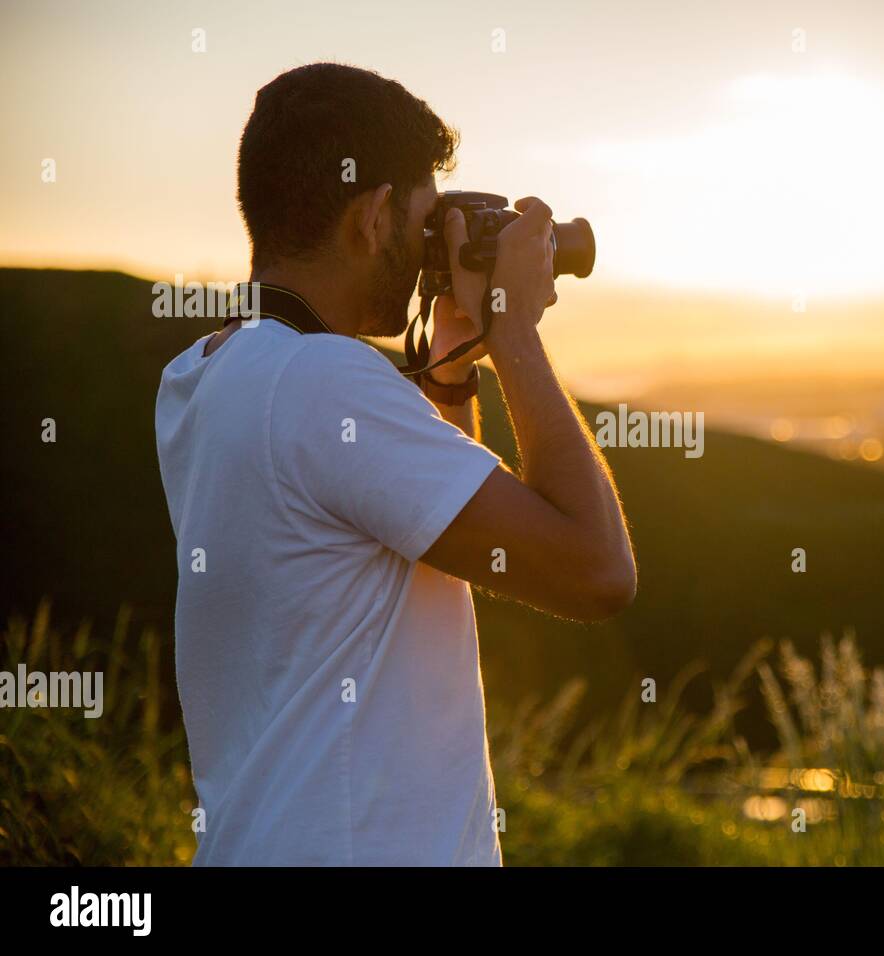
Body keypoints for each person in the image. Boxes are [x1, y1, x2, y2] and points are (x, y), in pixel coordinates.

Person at [154, 62, 636, 866]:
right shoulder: (324, 384)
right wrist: (514, 331)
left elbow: (424, 521)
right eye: (421, 222)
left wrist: (451, 364)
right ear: (374, 216)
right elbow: (597, 573)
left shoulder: (205, 377)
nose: (426, 250)